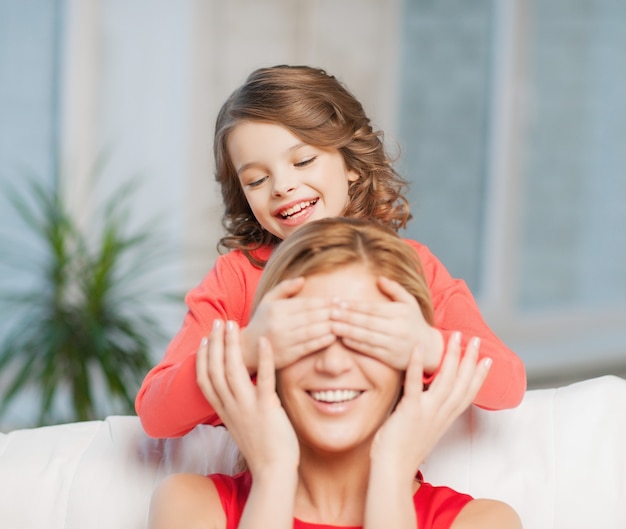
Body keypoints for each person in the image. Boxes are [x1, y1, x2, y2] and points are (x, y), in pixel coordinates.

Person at [136, 65, 526, 439]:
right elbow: (156, 413)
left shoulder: (411, 266)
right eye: (256, 179)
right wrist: (249, 349)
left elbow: (508, 385)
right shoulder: (237, 278)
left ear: (351, 163)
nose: (282, 186)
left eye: (303, 160)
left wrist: (425, 346)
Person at [147, 218, 522, 529]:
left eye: (364, 339)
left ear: (412, 362)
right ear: (268, 362)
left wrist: (391, 475)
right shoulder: (190, 506)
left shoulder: (484, 521)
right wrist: (273, 474)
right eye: (308, 338)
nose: (333, 364)